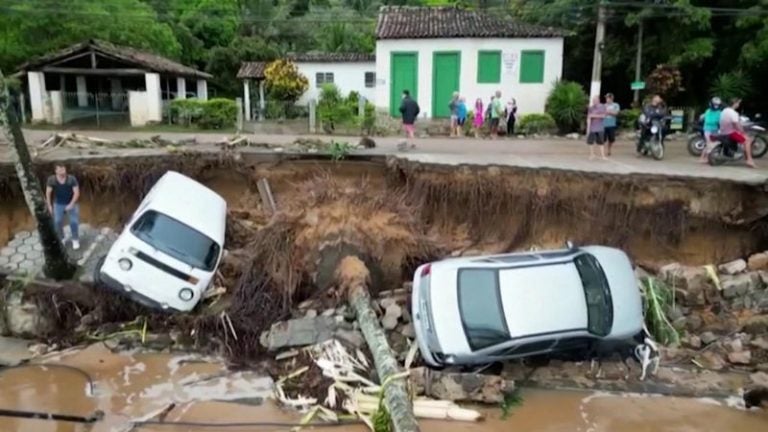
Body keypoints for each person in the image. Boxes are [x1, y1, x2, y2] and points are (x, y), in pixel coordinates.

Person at [46, 164, 81, 250]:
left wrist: (71, 204)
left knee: (74, 222)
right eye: (60, 170)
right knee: (57, 221)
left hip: (71, 202)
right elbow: (48, 193)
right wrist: (49, 205)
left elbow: (76, 193)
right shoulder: (52, 180)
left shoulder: (71, 179)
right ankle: (62, 238)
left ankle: (75, 239)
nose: (62, 171)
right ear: (56, 171)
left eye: (63, 169)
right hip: (58, 203)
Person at [719, 97, 754, 168]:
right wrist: (742, 131)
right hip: (730, 132)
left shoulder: (724, 110)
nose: (739, 104)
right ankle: (749, 160)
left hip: (722, 131)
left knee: (742, 136)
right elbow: (736, 124)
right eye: (738, 103)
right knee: (747, 140)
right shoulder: (733, 113)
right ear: (735, 104)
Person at [698, 97, 723, 163]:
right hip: (708, 130)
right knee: (709, 144)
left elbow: (721, 121)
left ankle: (706, 158)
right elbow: (708, 121)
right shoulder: (708, 111)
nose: (716, 106)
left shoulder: (719, 112)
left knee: (712, 144)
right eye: (715, 104)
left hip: (716, 130)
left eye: (717, 104)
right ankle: (703, 158)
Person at [586, 95, 607, 160]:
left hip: (600, 127)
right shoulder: (591, 108)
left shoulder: (602, 106)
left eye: (595, 100)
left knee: (601, 142)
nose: (593, 101)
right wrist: (588, 127)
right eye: (593, 100)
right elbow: (589, 117)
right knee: (590, 142)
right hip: (592, 128)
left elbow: (603, 116)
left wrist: (593, 115)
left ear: (598, 100)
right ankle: (592, 155)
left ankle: (603, 156)